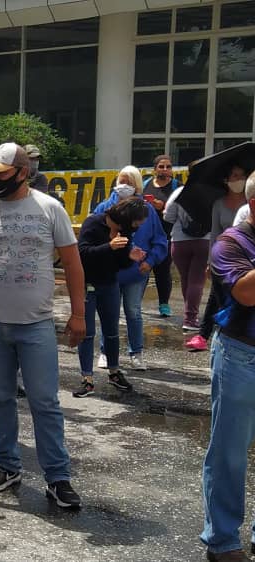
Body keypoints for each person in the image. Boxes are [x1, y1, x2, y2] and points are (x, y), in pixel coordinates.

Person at [0, 142, 86, 508]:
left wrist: (79, 313)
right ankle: (7, 465)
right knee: (0, 398)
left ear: (23, 173)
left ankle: (57, 477)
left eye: (0, 173)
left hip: (35, 324)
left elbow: (72, 264)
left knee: (44, 402)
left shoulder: (49, 208)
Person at [200, 170, 255, 561]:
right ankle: (223, 541)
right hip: (241, 355)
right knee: (230, 453)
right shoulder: (230, 243)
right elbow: (245, 293)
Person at [92, 166, 169, 372]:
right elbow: (94, 238)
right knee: (109, 313)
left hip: (136, 272)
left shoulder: (147, 210)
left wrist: (150, 261)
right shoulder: (104, 208)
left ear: (137, 185)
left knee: (133, 312)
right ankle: (106, 352)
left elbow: (160, 240)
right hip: (111, 272)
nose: (124, 186)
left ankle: (136, 353)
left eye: (129, 182)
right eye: (121, 181)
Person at [74, 198, 150, 398]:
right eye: (135, 223)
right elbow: (82, 253)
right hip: (88, 284)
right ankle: (87, 378)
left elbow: (120, 263)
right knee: (87, 333)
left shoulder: (124, 232)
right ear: (125, 219)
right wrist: (109, 246)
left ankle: (114, 372)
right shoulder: (93, 223)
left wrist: (129, 257)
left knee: (112, 331)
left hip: (110, 284)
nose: (136, 228)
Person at [189, 165, 250, 352]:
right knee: (216, 295)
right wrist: (210, 260)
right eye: (234, 176)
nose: (238, 179)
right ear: (227, 180)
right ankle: (204, 333)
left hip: (246, 255)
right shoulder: (219, 204)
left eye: (242, 176)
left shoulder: (248, 204)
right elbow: (215, 232)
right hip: (224, 256)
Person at [165, 179, 212, 332]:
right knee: (197, 281)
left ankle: (190, 315)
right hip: (204, 241)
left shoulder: (179, 192)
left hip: (179, 241)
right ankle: (190, 318)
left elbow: (168, 216)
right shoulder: (212, 193)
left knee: (186, 279)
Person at [143, 154, 178, 317]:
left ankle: (164, 304)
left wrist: (163, 206)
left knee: (163, 270)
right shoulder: (145, 185)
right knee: (142, 267)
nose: (165, 170)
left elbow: (181, 210)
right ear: (154, 169)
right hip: (146, 234)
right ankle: (135, 300)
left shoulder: (177, 187)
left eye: (168, 167)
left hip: (167, 234)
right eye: (161, 166)